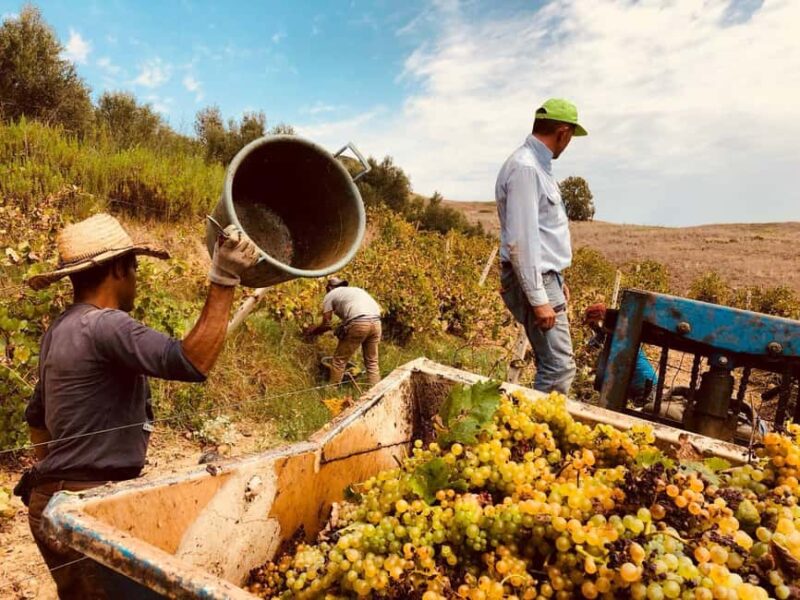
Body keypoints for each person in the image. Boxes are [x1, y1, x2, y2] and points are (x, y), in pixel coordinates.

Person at [17, 213, 260, 599]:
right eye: (134, 269)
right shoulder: (107, 325)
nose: (136, 280)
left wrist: (57, 482)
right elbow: (191, 361)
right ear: (119, 268)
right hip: (87, 516)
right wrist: (224, 279)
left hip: (49, 509)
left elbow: (37, 419)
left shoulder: (60, 329)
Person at [496, 98, 587, 395]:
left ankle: (530, 431)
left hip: (547, 278)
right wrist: (539, 297)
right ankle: (533, 435)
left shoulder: (537, 166)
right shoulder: (526, 169)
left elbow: (545, 233)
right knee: (559, 367)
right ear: (563, 132)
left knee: (556, 363)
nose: (569, 143)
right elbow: (521, 240)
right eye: (571, 136)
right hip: (538, 279)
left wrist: (558, 281)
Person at [304, 277, 382, 386]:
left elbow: (327, 323)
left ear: (329, 288)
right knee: (372, 362)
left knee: (339, 360)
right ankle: (376, 392)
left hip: (360, 322)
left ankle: (332, 391)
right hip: (377, 323)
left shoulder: (330, 295)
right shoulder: (355, 291)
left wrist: (313, 331)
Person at [583, 303, 658, 404]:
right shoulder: (610, 334)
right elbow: (594, 343)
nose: (592, 328)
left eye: (592, 324)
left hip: (646, 386)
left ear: (601, 319)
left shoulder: (618, 335)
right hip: (637, 385)